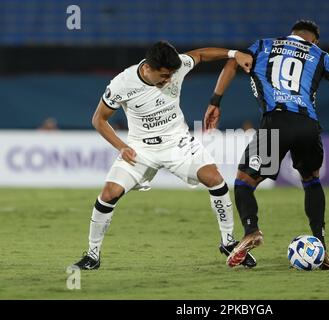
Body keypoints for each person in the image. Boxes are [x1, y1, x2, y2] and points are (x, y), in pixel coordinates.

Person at [204, 20, 329, 269]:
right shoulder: (320, 55)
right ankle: (322, 248)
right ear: (313, 40)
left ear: (292, 34)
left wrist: (215, 101)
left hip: (277, 122)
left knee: (244, 182)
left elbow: (232, 62)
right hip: (308, 126)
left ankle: (252, 231)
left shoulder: (263, 45)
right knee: (311, 180)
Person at [71, 41, 257, 270]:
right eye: (164, 75)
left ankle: (228, 243)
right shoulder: (122, 83)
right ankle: (92, 255)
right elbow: (98, 120)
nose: (169, 79)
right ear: (148, 68)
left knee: (215, 180)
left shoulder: (177, 67)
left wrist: (234, 53)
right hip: (141, 149)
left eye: (171, 75)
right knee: (109, 194)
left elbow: (199, 54)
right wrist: (121, 146)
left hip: (177, 143)